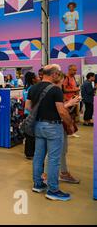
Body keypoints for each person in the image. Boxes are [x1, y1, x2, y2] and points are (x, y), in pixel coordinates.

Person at [26, 64, 74, 201]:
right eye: (58, 73)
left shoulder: (33, 88)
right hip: (53, 127)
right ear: (53, 74)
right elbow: (61, 111)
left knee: (38, 156)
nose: (59, 76)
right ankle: (53, 190)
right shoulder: (55, 89)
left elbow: (28, 107)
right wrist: (70, 125)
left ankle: (38, 184)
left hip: (38, 125)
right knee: (54, 159)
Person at [52, 72, 81, 184]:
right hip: (56, 125)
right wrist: (69, 104)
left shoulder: (54, 90)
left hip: (54, 124)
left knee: (59, 151)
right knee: (57, 151)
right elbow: (58, 110)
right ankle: (53, 177)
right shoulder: (55, 90)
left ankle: (59, 174)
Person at [22, 71, 40, 159]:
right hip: (32, 113)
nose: (38, 78)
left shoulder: (25, 89)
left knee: (28, 135)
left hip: (26, 113)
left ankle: (28, 153)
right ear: (33, 79)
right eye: (36, 77)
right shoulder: (33, 89)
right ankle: (30, 153)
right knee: (32, 135)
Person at [62, 65, 80, 138]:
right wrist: (75, 90)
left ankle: (71, 131)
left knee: (73, 116)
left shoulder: (73, 77)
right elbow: (64, 90)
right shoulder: (66, 78)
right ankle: (69, 131)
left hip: (73, 100)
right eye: (73, 70)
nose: (75, 72)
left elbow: (74, 88)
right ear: (69, 69)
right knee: (68, 117)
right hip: (67, 101)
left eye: (76, 70)